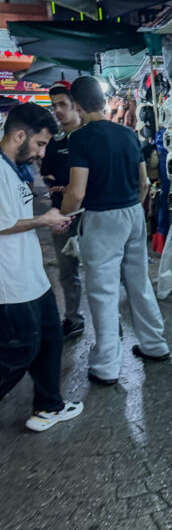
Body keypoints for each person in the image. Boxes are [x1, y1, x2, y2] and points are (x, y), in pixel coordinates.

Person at [61, 76, 170, 386]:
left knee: (103, 291)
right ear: (102, 101)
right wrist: (132, 209)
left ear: (77, 105)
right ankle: (155, 344)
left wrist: (63, 214)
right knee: (139, 282)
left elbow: (77, 192)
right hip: (133, 212)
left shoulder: (80, 139)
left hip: (101, 218)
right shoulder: (128, 134)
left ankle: (107, 366)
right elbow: (144, 183)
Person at [0, 103, 84, 432]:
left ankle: (48, 407)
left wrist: (47, 220)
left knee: (50, 337)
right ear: (19, 135)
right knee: (18, 352)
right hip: (10, 281)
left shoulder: (13, 168)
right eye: (39, 143)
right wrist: (43, 219)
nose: (41, 153)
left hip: (32, 274)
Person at [41, 80, 85, 339]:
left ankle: (112, 323)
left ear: (74, 105)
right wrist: (53, 186)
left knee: (101, 272)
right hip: (61, 214)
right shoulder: (54, 142)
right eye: (54, 105)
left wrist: (74, 186)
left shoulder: (89, 136)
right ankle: (73, 318)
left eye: (62, 104)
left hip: (90, 213)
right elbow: (46, 174)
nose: (57, 110)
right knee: (67, 271)